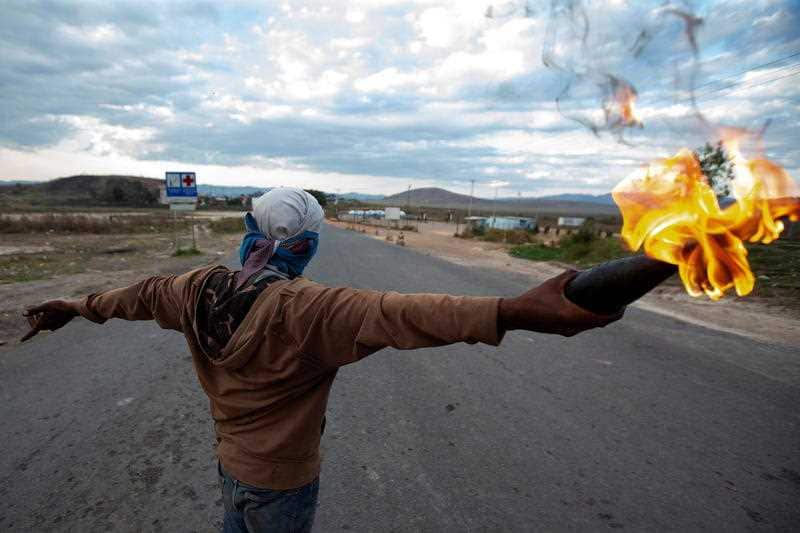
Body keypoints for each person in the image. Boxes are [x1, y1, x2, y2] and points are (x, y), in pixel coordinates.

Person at [21, 187, 622, 533]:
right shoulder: (311, 309)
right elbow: (408, 313)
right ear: (307, 247)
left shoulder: (194, 287)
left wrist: (73, 305)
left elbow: (134, 297)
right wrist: (514, 311)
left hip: (230, 470)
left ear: (249, 232)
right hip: (282, 485)